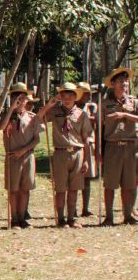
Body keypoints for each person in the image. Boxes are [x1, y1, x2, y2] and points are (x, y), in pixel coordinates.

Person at [37, 82, 93, 228]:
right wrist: (49, 105)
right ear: (60, 97)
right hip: (60, 153)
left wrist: (87, 160)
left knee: (74, 189)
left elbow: (86, 137)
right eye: (64, 95)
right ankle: (61, 218)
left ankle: (71, 218)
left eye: (70, 95)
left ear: (75, 97)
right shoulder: (54, 111)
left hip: (77, 153)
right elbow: (39, 117)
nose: (67, 98)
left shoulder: (82, 114)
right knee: (61, 189)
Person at [0, 84, 42, 229]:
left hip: (27, 156)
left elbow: (36, 139)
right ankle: (14, 218)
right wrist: (11, 109)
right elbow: (1, 128)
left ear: (26, 99)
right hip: (12, 157)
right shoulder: (7, 116)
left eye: (22, 97)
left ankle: (23, 217)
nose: (19, 100)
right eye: (15, 96)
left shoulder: (32, 117)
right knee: (13, 189)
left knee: (25, 189)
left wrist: (23, 151)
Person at [100, 68, 137, 225]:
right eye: (121, 82)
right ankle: (109, 217)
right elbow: (99, 129)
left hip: (131, 146)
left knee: (129, 184)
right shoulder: (105, 104)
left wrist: (124, 115)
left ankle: (128, 215)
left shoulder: (134, 102)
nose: (124, 84)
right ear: (113, 84)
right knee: (110, 184)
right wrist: (98, 151)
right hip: (112, 147)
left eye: (126, 81)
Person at [76, 81, 98, 218]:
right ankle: (73, 209)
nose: (88, 95)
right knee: (74, 178)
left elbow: (96, 120)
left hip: (89, 143)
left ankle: (86, 208)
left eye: (89, 93)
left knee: (87, 178)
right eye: (85, 93)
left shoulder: (91, 107)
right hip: (76, 143)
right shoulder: (71, 107)